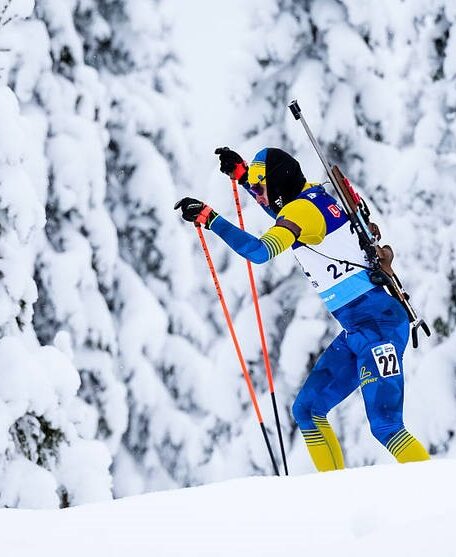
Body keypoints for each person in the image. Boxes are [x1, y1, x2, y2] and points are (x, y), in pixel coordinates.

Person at [175, 147, 430, 471]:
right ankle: (335, 491)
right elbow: (281, 209)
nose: (260, 196)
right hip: (362, 328)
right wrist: (243, 176)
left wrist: (211, 219)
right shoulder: (310, 197)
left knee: (387, 427)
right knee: (307, 410)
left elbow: (260, 251)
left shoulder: (301, 212)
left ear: (278, 184)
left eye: (262, 187)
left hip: (378, 328)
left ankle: (439, 490)